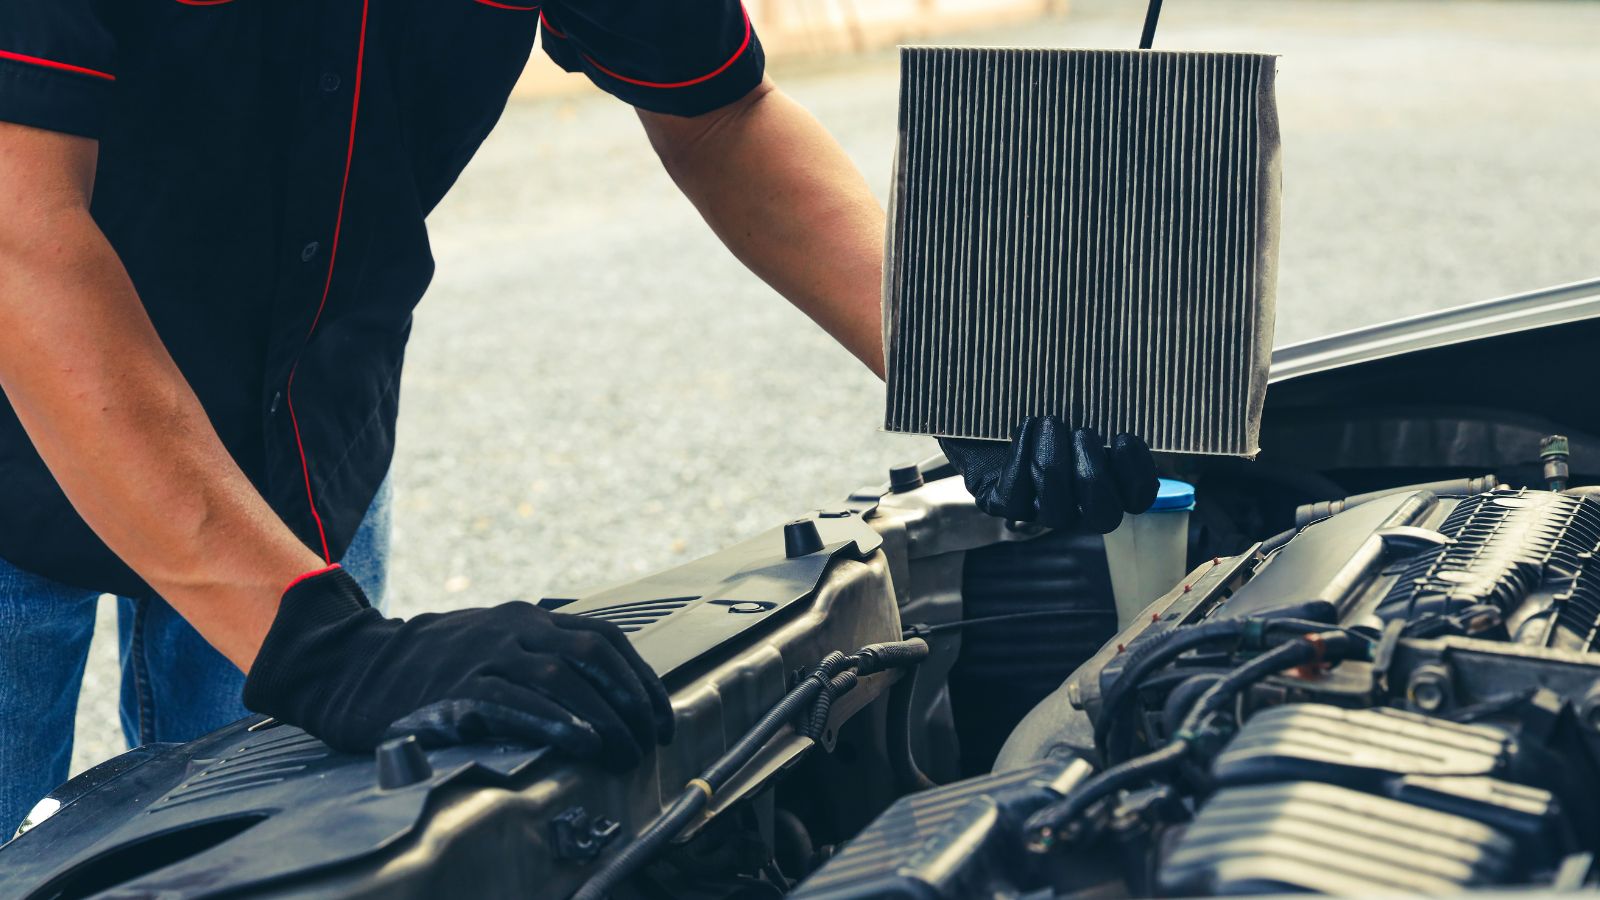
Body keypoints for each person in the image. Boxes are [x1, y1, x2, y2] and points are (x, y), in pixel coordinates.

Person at [0, 1, 1156, 837]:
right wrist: (317, 646)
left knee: (267, 857)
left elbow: (720, 116)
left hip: (305, 440)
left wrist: (970, 379)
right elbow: (23, 236)